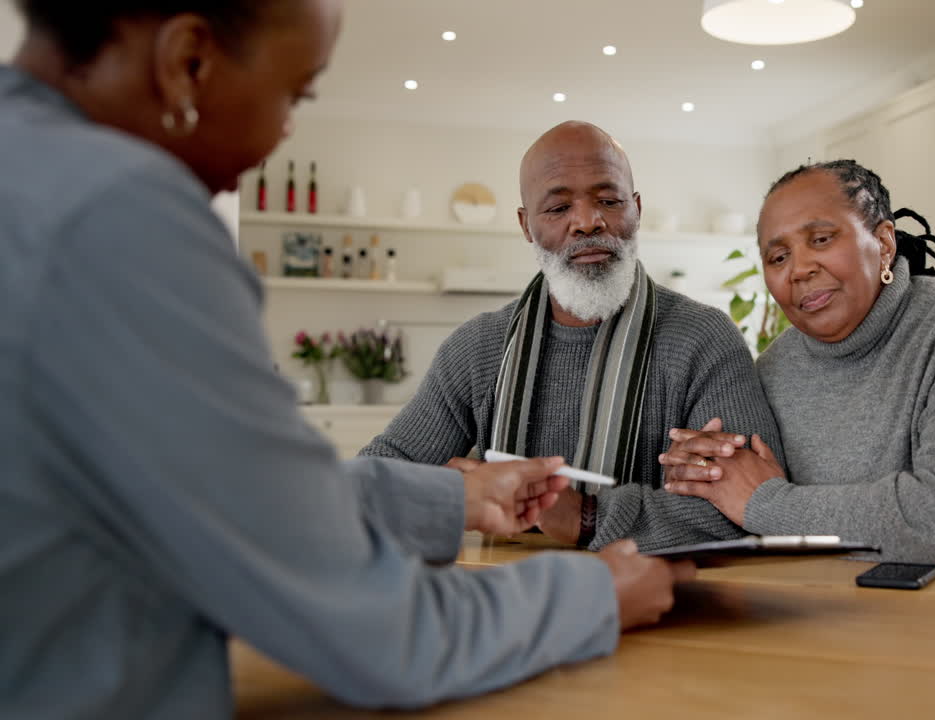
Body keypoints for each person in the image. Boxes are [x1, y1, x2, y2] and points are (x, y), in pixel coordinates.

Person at [0, 2, 693, 718]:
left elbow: (251, 494)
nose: (286, 131)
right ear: (188, 63)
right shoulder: (117, 215)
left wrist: (458, 498)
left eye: (608, 199)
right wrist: (591, 595)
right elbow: (370, 626)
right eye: (295, 96)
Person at [361, 121, 783, 550]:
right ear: (526, 226)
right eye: (559, 208)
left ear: (636, 209)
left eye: (608, 200)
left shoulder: (704, 339)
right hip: (510, 598)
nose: (586, 221)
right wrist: (447, 494)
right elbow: (375, 478)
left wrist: (586, 516)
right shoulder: (477, 348)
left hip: (670, 604)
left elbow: (748, 508)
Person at [659, 159, 935, 565]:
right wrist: (702, 471)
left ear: (884, 244)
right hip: (859, 604)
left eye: (821, 239)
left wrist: (767, 503)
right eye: (778, 257)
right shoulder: (774, 367)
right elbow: (735, 496)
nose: (799, 269)